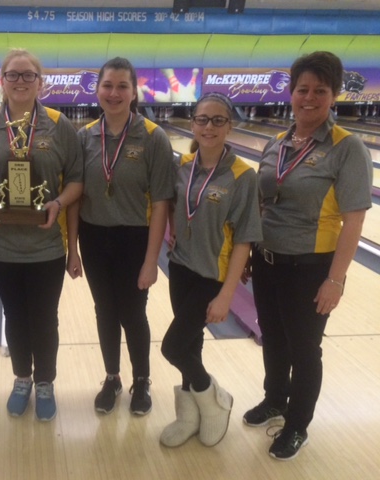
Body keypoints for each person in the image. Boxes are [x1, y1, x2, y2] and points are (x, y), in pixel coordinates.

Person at [243, 51, 373, 460]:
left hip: (311, 267)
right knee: (273, 340)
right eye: (303, 89)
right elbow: (263, 204)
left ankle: (297, 425)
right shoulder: (276, 142)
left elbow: (353, 221)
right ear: (291, 92)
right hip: (268, 262)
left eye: (321, 90)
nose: (310, 97)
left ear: (334, 95)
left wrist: (335, 280)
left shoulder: (347, 149)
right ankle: (275, 399)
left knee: (304, 349)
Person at [0, 48, 83, 422]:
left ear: (40, 82)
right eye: (12, 75)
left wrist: (58, 204)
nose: (20, 81)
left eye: (28, 75)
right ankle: (22, 379)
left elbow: (77, 179)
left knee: (45, 318)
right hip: (1, 245)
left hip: (46, 244)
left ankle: (45, 382)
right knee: (15, 317)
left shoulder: (60, 125)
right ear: (1, 80)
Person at [66, 57, 175, 416]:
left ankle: (141, 379)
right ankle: (112, 377)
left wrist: (150, 261)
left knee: (133, 313)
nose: (114, 93)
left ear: (133, 92)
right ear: (97, 91)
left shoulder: (153, 137)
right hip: (95, 239)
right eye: (107, 85)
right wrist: (73, 249)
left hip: (134, 239)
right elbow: (76, 196)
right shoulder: (84, 137)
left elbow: (160, 203)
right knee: (105, 312)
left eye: (122, 86)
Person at [159, 93, 262, 448]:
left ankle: (214, 400)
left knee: (172, 347)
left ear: (230, 126)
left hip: (212, 275)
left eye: (218, 120)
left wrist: (226, 295)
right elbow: (174, 206)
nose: (209, 126)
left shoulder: (242, 176)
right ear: (193, 124)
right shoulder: (184, 165)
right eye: (203, 119)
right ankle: (189, 415)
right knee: (191, 343)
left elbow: (245, 240)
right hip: (181, 268)